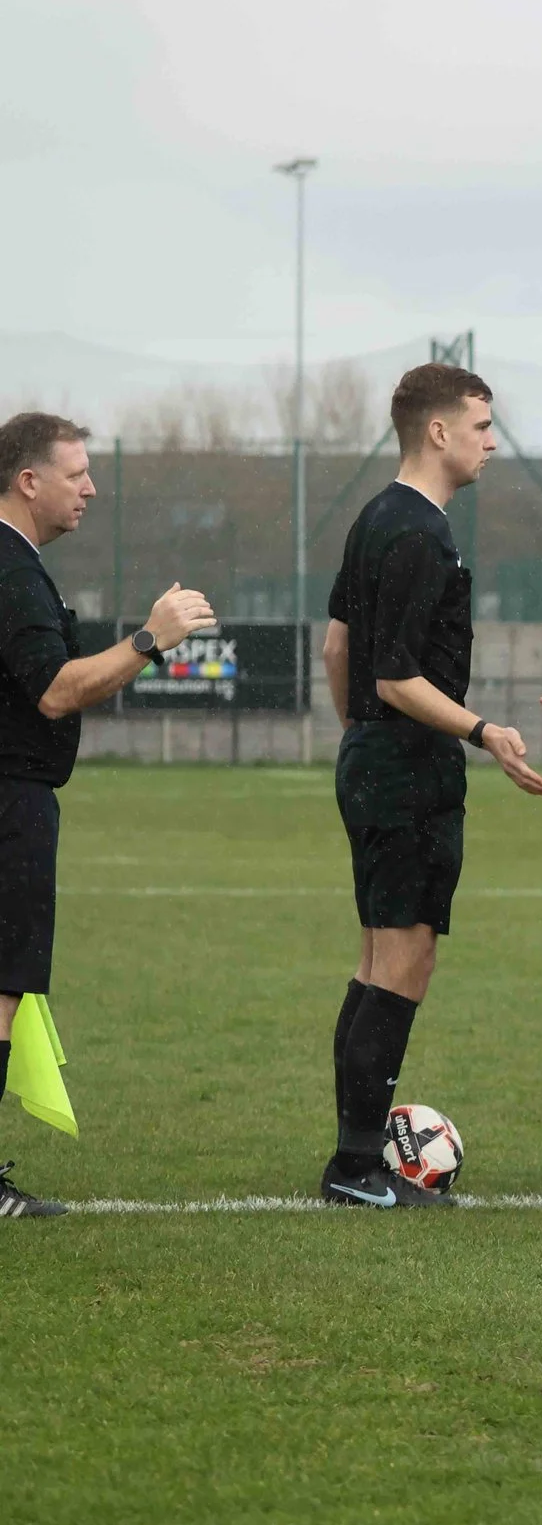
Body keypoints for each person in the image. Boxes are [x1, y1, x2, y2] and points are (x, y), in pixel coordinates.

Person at [320, 364, 542, 1209]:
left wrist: (358, 741)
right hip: (409, 765)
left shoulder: (375, 517)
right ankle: (354, 1169)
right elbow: (394, 676)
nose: (493, 441)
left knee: (379, 956)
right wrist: (484, 731)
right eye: (483, 425)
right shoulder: (419, 532)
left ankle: (353, 1160)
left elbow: (336, 646)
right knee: (403, 959)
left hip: (377, 761)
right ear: (439, 433)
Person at [0, 413, 218, 1217]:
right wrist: (150, 639)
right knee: (3, 987)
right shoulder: (11, 568)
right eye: (77, 473)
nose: (91, 487)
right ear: (30, 482)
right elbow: (54, 690)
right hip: (10, 802)